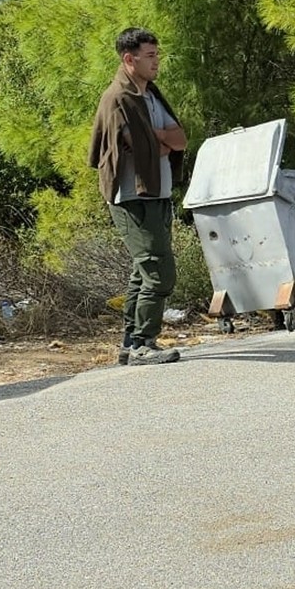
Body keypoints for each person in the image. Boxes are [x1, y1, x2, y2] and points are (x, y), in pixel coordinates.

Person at [89, 28, 187, 366]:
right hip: (133, 197)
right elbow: (144, 147)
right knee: (158, 271)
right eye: (150, 56)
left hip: (158, 193)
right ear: (129, 59)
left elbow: (179, 140)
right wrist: (160, 141)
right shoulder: (118, 98)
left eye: (157, 54)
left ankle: (131, 343)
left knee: (142, 271)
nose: (157, 61)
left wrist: (157, 136)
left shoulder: (150, 95)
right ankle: (143, 343)